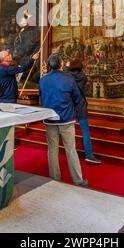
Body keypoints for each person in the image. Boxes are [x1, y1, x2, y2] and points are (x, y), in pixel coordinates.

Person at [39, 53, 88, 187]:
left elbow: (41, 96)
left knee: (52, 149)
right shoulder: (68, 79)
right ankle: (78, 180)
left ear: (49, 65)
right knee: (70, 149)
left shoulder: (43, 80)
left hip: (49, 118)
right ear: (61, 64)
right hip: (66, 118)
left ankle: (55, 179)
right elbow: (77, 98)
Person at [66, 58, 102, 164]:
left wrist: (67, 66)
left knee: (69, 131)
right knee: (85, 131)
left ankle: (71, 154)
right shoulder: (83, 77)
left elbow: (64, 72)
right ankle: (89, 155)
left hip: (70, 104)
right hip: (80, 104)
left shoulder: (67, 75)